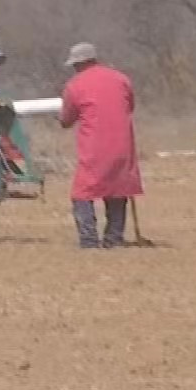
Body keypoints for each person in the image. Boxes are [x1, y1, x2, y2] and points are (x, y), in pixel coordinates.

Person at [58, 42, 143, 249]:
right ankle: (114, 238)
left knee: (83, 193)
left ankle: (89, 240)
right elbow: (130, 106)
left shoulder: (75, 85)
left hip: (94, 147)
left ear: (78, 64)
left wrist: (61, 118)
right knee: (117, 189)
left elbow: (66, 120)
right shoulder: (121, 79)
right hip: (123, 145)